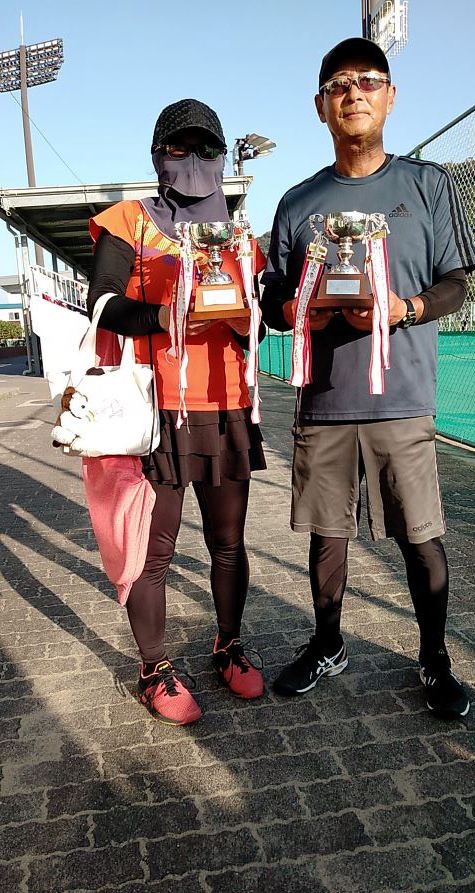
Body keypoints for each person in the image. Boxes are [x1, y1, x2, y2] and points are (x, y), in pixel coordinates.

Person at [261, 38, 475, 718]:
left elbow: (456, 282)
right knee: (327, 534)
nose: (353, 92)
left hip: (402, 395)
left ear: (390, 96)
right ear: (319, 105)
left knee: (420, 535)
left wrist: (402, 308)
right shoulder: (298, 203)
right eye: (339, 84)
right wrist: (300, 308)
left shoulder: (428, 185)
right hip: (325, 397)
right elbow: (272, 301)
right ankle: (328, 644)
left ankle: (434, 657)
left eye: (368, 80)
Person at [86, 99, 266, 725]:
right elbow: (102, 303)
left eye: (206, 149)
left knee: (228, 543)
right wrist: (165, 315)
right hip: (157, 408)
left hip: (226, 404)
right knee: (154, 551)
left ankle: (228, 646)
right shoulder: (130, 221)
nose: (193, 161)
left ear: (222, 157)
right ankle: (154, 670)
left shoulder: (239, 237)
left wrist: (246, 321)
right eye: (179, 148)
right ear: (157, 155)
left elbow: (254, 325)